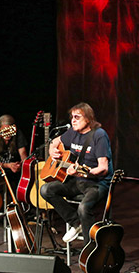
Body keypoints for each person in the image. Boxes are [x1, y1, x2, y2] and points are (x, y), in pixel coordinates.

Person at [40, 102, 113, 243]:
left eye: (77, 117)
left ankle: (89, 248)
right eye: (72, 117)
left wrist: (83, 172)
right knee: (46, 190)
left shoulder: (99, 135)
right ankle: (76, 223)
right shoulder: (72, 132)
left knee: (83, 208)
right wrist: (52, 151)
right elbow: (54, 142)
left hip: (97, 183)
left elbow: (103, 168)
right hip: (77, 180)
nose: (73, 120)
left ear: (88, 118)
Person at [0, 114, 28, 192]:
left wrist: (22, 165)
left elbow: (23, 153)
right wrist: (8, 165)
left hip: (15, 169)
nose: (8, 133)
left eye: (10, 130)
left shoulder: (18, 135)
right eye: (5, 130)